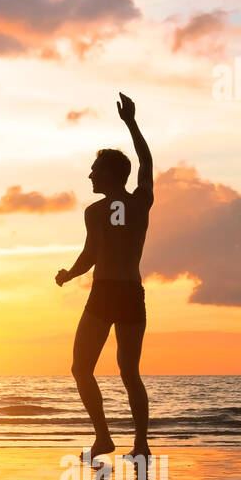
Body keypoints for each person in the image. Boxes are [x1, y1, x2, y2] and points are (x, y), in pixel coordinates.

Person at [55, 92, 153, 459]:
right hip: (127, 292)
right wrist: (69, 273)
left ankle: (110, 438)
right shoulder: (138, 203)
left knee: (84, 369)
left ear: (110, 174)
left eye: (95, 170)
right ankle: (132, 444)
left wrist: (130, 122)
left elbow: (89, 256)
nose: (90, 175)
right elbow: (90, 256)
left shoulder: (100, 211)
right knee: (125, 372)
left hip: (110, 293)